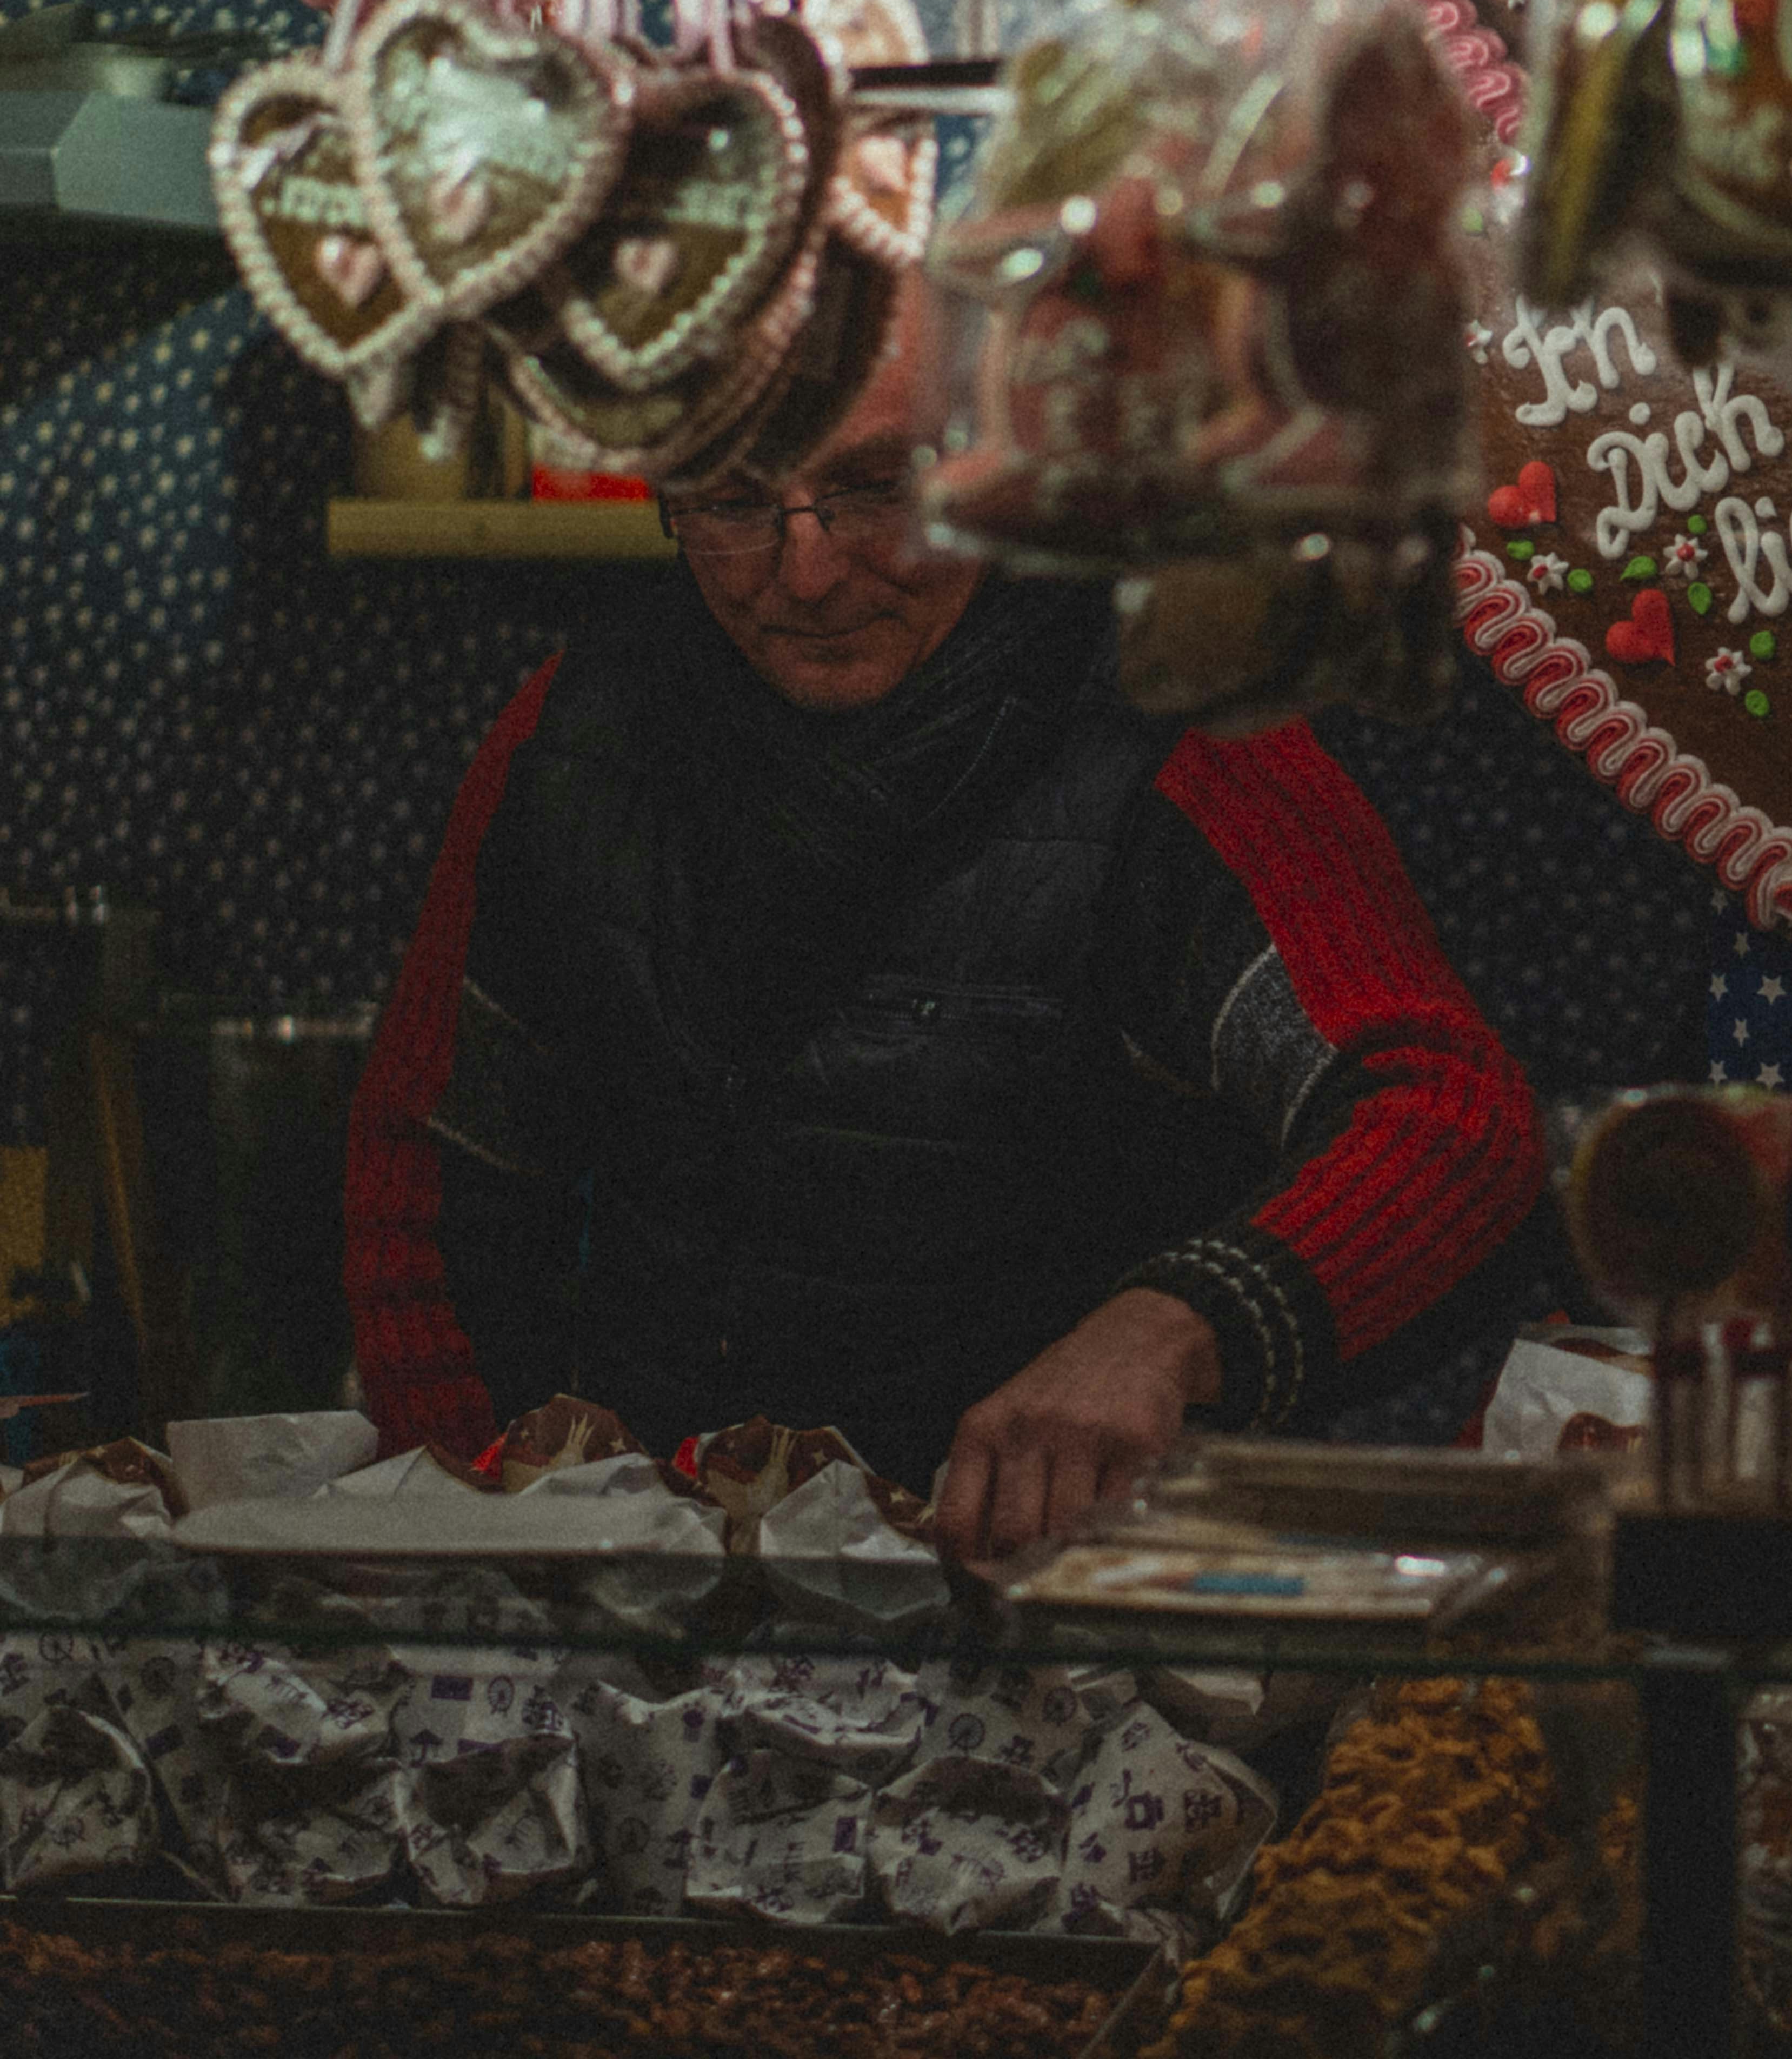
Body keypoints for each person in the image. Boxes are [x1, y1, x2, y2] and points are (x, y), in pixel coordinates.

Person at [342, 312, 1544, 1562]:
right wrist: (477, 1525)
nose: (804, 573)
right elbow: (423, 1169)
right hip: (661, 1622)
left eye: (878, 490)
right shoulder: (573, 731)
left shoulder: (1175, 732)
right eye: (735, 501)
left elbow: (1450, 1116)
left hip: (1062, 1620)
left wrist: (1169, 1326)